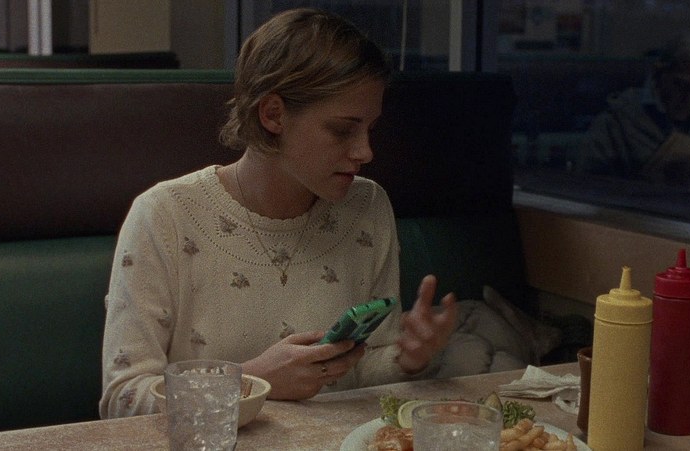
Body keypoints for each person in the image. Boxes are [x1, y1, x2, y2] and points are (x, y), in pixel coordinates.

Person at [99, 8, 458, 419]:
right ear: (273, 114)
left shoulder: (367, 206)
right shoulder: (164, 216)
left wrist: (409, 360)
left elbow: (359, 375)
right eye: (343, 130)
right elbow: (123, 401)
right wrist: (250, 381)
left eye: (370, 129)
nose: (365, 151)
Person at [574, 31, 690, 188]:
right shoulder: (616, 123)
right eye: (680, 85)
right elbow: (587, 186)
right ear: (658, 74)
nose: (688, 99)